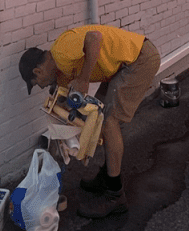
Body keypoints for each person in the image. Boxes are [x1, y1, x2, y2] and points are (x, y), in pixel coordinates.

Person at [18, 24, 160, 218]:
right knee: (100, 120)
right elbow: (66, 104)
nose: (42, 86)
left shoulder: (60, 51)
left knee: (109, 122)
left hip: (138, 60)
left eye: (37, 84)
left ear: (38, 71)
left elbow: (94, 38)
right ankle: (106, 176)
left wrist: (84, 79)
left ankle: (115, 195)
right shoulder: (61, 70)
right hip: (119, 67)